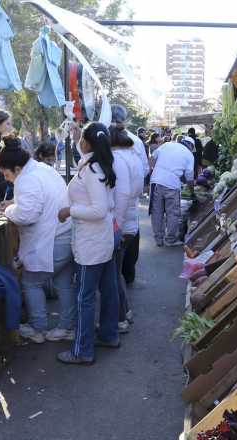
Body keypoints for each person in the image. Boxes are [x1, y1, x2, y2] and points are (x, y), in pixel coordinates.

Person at [0, 137, 75, 344]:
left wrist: (11, 209)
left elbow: (27, 215)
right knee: (64, 283)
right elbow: (43, 198)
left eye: (6, 174)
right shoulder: (42, 169)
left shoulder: (26, 179)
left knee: (31, 283)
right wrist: (15, 202)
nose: (6, 179)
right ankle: (67, 327)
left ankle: (37, 329)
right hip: (65, 235)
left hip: (52, 241)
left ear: (16, 168)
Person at [56, 122, 120, 365]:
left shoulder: (92, 170)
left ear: (88, 143)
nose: (78, 141)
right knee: (109, 289)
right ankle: (108, 334)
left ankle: (82, 350)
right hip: (101, 240)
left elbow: (98, 210)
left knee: (84, 297)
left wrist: (69, 211)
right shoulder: (99, 164)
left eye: (81, 138)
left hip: (91, 242)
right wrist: (76, 134)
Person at [110, 126, 144, 331]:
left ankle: (121, 316)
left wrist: (116, 225)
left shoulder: (118, 159)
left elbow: (121, 195)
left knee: (113, 274)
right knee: (115, 273)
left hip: (122, 222)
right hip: (131, 219)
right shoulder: (132, 156)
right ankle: (124, 312)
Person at [149, 140, 194, 247]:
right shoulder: (189, 155)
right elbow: (190, 178)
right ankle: (170, 239)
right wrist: (192, 192)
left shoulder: (167, 144)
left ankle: (158, 239)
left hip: (156, 182)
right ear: (191, 147)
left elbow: (152, 158)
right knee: (172, 213)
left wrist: (154, 171)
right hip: (172, 184)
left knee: (156, 212)